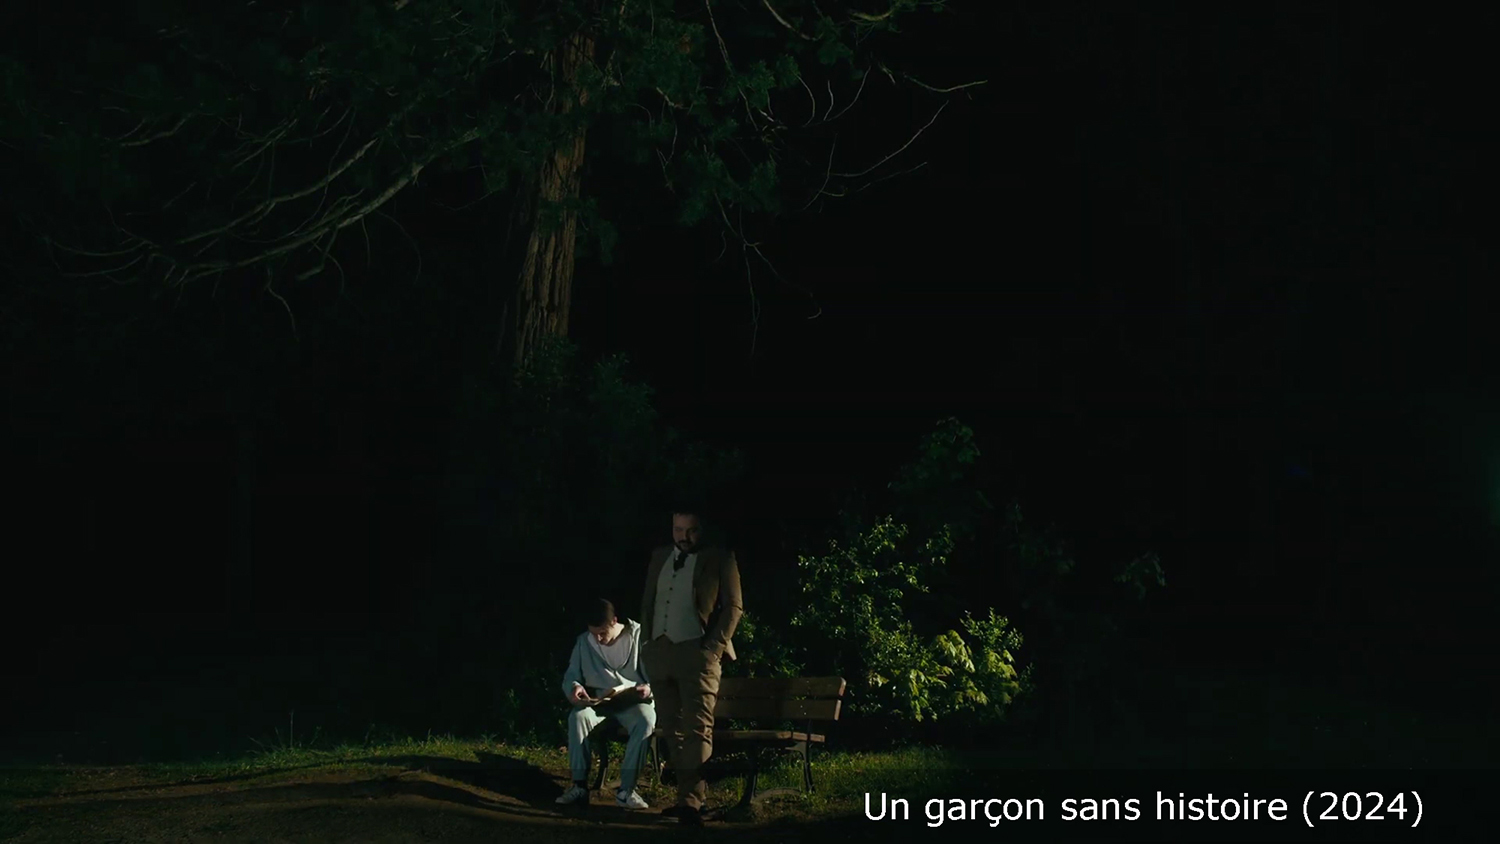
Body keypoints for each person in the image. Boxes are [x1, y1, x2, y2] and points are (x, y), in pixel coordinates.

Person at [639, 507, 743, 824]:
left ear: (701, 530)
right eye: (677, 529)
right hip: (660, 651)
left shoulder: (720, 558)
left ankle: (692, 801)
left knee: (698, 727)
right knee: (671, 728)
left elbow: (734, 607)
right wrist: (647, 644)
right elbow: (649, 601)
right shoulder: (659, 556)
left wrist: (712, 649)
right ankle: (686, 796)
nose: (683, 537)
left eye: (690, 530)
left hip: (697, 652)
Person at [556, 598, 656, 810]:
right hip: (600, 703)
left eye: (602, 633)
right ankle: (579, 786)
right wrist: (575, 687)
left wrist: (648, 689)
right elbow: (571, 676)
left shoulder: (638, 636)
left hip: (632, 702)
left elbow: (657, 676)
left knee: (646, 720)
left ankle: (626, 791)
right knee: (578, 717)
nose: (598, 639)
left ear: (614, 622)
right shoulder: (584, 642)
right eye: (594, 634)